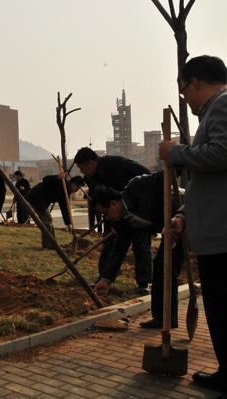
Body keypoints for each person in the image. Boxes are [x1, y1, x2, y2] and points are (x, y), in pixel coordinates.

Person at [159, 55, 227, 396]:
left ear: (195, 83)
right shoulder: (214, 111)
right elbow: (208, 183)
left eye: (184, 90)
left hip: (223, 236)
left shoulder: (223, 105)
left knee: (222, 307)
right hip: (213, 230)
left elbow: (223, 153)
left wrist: (177, 152)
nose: (185, 97)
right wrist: (183, 215)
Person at [89, 172, 183, 329]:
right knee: (161, 269)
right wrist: (106, 279)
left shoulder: (138, 186)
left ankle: (166, 317)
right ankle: (164, 318)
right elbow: (119, 249)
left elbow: (167, 174)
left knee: (166, 267)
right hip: (170, 231)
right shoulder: (122, 223)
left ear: (113, 204)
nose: (105, 218)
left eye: (104, 214)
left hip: (184, 214)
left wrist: (175, 156)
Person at [74, 147, 152, 294]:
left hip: (135, 211)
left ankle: (144, 283)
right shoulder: (90, 179)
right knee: (109, 244)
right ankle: (104, 280)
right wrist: (112, 222)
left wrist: (135, 198)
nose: (81, 172)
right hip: (112, 215)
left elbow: (146, 175)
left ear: (91, 163)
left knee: (141, 245)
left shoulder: (116, 164)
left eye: (82, 168)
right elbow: (99, 202)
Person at [24, 173, 84, 249]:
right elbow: (45, 179)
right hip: (35, 198)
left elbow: (63, 207)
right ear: (74, 184)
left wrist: (68, 223)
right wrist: (57, 177)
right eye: (78, 188)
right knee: (48, 220)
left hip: (40, 201)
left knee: (46, 222)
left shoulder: (66, 192)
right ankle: (51, 244)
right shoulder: (61, 181)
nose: (77, 191)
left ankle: (47, 244)